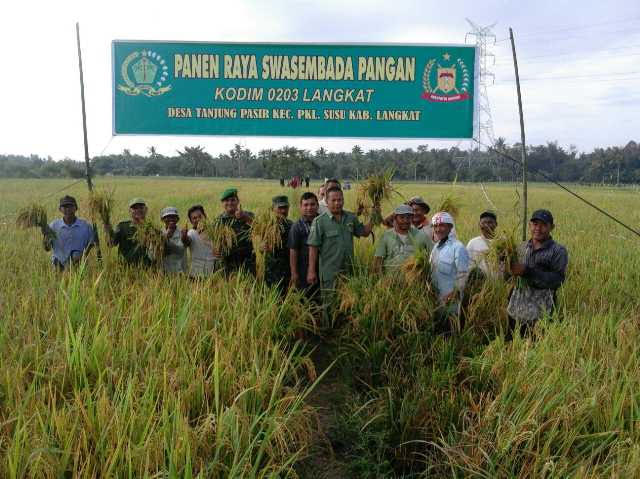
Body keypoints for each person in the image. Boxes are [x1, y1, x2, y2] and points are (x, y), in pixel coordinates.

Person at [307, 186, 372, 322]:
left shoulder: (350, 218)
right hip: (329, 272)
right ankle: (328, 331)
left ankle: (343, 331)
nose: (337, 203)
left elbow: (364, 232)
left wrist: (375, 215)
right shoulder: (320, 222)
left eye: (340, 200)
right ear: (327, 201)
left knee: (348, 301)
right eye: (334, 200)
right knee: (329, 303)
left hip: (348, 270)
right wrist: (311, 271)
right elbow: (313, 247)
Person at [506, 209, 568, 338]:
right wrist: (505, 264)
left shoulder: (558, 251)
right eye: (535, 224)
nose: (538, 228)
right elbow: (509, 276)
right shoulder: (521, 248)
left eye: (543, 225)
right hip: (516, 307)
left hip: (540, 311)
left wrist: (527, 271)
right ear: (529, 225)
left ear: (552, 227)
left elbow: (557, 280)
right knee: (511, 342)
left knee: (533, 345)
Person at [430, 211, 470, 331]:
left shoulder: (458, 248)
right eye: (435, 226)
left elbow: (463, 274)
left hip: (451, 305)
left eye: (442, 225)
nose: (438, 229)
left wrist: (455, 293)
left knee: (450, 334)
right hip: (436, 302)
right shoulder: (435, 248)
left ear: (450, 227)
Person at [373, 204, 432, 273]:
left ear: (412, 218)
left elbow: (433, 255)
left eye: (408, 217)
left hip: (413, 280)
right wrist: (380, 279)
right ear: (395, 218)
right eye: (402, 217)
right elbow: (378, 260)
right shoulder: (386, 236)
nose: (405, 221)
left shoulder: (421, 235)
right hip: (390, 280)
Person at [43, 195, 95, 270]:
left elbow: (91, 244)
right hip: (58, 266)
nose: (67, 209)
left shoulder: (85, 226)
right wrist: (45, 236)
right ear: (60, 209)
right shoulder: (53, 226)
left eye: (70, 206)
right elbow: (47, 248)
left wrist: (82, 256)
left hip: (79, 266)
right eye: (64, 206)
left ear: (76, 208)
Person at [288, 192, 320, 302]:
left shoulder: (324, 222)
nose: (309, 208)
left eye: (312, 204)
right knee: (306, 298)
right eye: (306, 205)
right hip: (304, 269)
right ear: (300, 207)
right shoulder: (297, 227)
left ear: (317, 206)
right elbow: (293, 251)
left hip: (323, 267)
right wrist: (294, 273)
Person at [104, 197, 153, 266]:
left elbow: (159, 251)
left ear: (146, 210)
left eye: (141, 207)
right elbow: (111, 243)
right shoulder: (122, 227)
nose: (138, 210)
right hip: (126, 269)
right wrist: (106, 223)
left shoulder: (152, 229)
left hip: (147, 270)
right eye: (135, 208)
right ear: (130, 211)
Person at [217, 188, 255, 274]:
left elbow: (260, 228)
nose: (230, 203)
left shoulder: (248, 215)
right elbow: (214, 242)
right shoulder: (218, 221)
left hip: (247, 263)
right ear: (222, 203)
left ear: (238, 201)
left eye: (233, 200)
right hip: (227, 264)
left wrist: (244, 217)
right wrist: (215, 250)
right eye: (226, 200)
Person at [264, 195, 294, 294]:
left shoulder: (293, 226)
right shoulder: (265, 225)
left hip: (288, 272)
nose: (283, 211)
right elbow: (256, 242)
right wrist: (260, 246)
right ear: (273, 209)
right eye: (280, 208)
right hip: (270, 272)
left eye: (285, 207)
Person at [186, 205, 216, 278]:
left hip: (214, 272)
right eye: (194, 218)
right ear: (191, 221)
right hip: (196, 274)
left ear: (205, 216)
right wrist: (184, 236)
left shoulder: (214, 231)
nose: (198, 219)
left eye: (200, 216)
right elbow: (186, 241)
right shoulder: (191, 233)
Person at [466, 211, 498, 278]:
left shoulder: (504, 242)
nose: (486, 225)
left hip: (501, 284)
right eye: (483, 223)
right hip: (480, 285)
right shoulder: (473, 243)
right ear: (479, 224)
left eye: (490, 222)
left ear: (496, 224)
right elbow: (468, 265)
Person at [160, 207, 188, 273]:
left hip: (180, 271)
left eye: (173, 217)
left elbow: (180, 251)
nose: (171, 219)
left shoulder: (183, 233)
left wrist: (166, 239)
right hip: (163, 272)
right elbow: (153, 255)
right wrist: (165, 237)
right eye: (168, 217)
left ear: (177, 219)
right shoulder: (158, 234)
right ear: (163, 219)